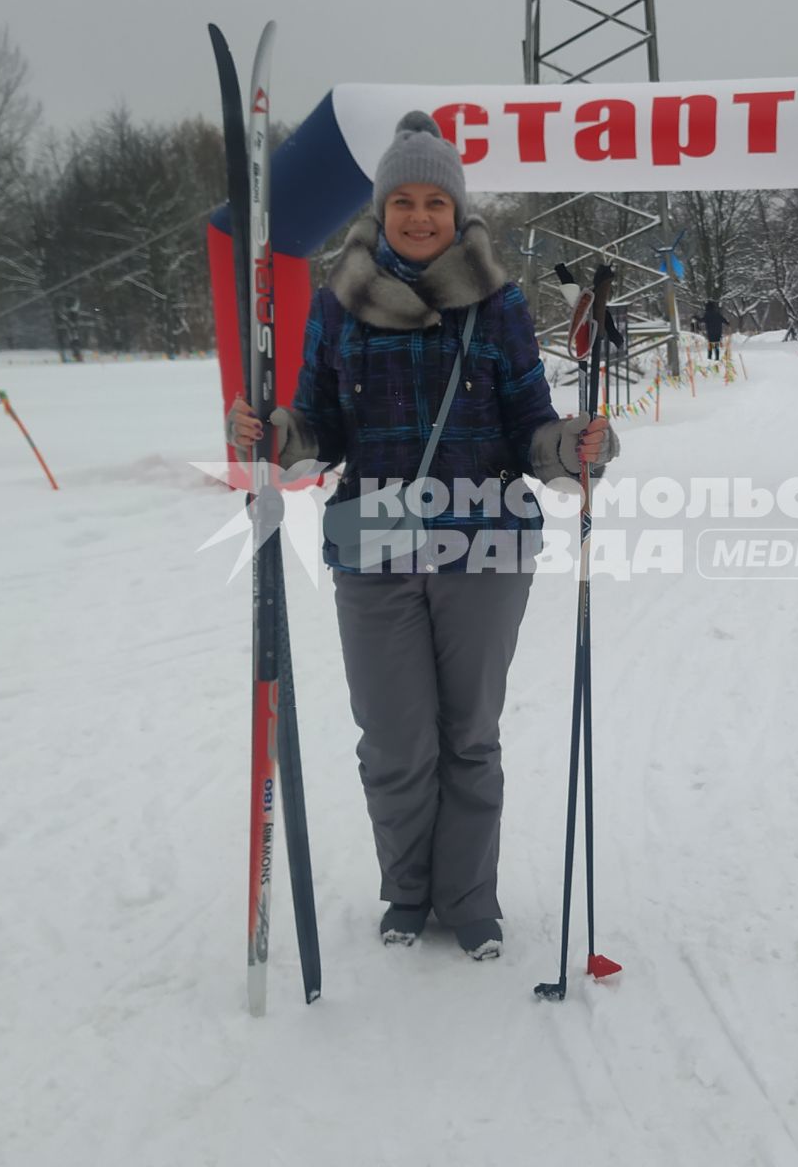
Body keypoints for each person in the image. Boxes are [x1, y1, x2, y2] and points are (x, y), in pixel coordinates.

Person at [226, 111, 619, 962]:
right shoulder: (338, 308)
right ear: (379, 208)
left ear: (457, 211)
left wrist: (572, 448)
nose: (416, 216)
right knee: (395, 739)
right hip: (374, 548)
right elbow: (319, 424)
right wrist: (278, 435)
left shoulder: (500, 306)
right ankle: (407, 888)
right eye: (400, 200)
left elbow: (529, 427)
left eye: (433, 201)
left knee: (468, 735)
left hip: (484, 547)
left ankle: (469, 896)